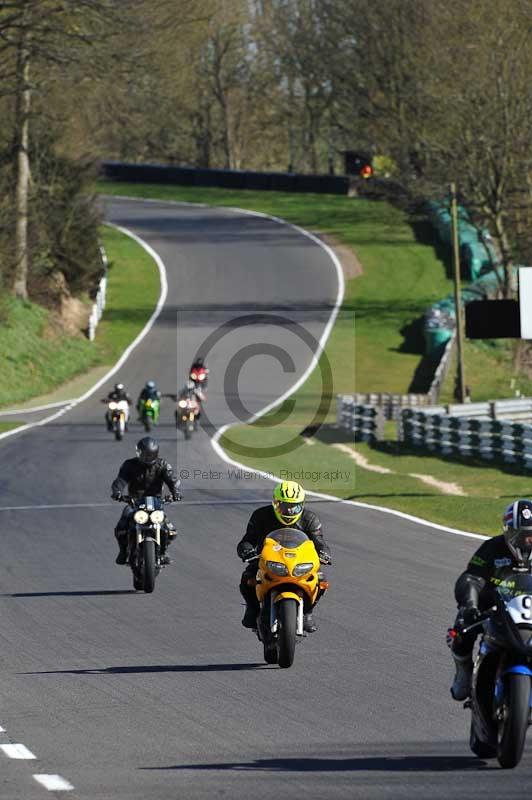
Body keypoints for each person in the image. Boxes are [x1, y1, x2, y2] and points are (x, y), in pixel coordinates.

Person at [448, 498, 532, 701]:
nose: (528, 540)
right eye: (525, 535)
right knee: (461, 626)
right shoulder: (491, 549)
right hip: (495, 610)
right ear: (510, 532)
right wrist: (470, 604)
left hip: (528, 611)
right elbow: (472, 577)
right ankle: (464, 670)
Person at [237, 480, 331, 633]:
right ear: (275, 503)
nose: (290, 511)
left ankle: (307, 612)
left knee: (321, 580)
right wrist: (247, 551)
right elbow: (247, 540)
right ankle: (252, 609)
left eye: (295, 507)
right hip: (266, 560)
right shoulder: (261, 516)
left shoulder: (310, 519)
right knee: (248, 577)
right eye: (285, 506)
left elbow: (319, 542)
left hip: (299, 562)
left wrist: (324, 553)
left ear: (302, 504)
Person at [110, 437, 181, 566]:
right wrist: (117, 492)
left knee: (170, 530)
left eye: (151, 455)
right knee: (121, 527)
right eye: (145, 455)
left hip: (156, 503)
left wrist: (175, 492)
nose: (148, 458)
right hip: (134, 502)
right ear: (138, 453)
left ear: (156, 453)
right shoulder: (129, 465)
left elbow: (172, 479)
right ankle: (123, 552)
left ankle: (164, 552)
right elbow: (120, 480)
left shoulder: (162, 465)